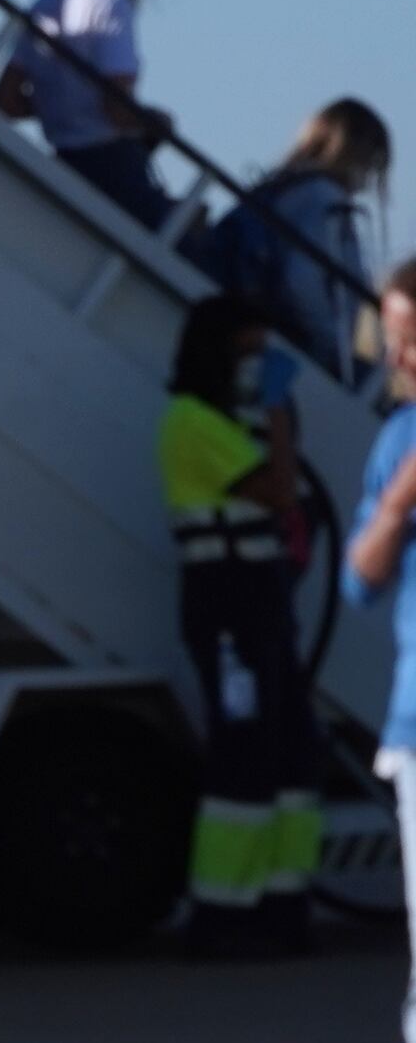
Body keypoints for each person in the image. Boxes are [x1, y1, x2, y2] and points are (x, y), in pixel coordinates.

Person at [160, 294, 327, 960]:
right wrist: (279, 410)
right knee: (245, 752)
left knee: (294, 749)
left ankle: (283, 903)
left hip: (259, 600)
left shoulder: (226, 421)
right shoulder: (191, 421)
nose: (256, 367)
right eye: (249, 353)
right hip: (226, 604)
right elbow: (280, 490)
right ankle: (220, 914)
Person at [328, 261, 416, 1043]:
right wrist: (393, 507)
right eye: (389, 332)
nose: (396, 353)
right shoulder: (395, 439)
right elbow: (356, 586)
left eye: (412, 333)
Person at [3, 0, 172, 227]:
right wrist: (155, 121)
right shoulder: (109, 2)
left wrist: (57, 103)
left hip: (64, 162)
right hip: (113, 167)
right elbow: (116, 107)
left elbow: (6, 100)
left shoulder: (44, 3)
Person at [195, 99, 391, 389]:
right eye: (372, 165)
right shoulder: (325, 199)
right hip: (299, 340)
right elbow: (303, 280)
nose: (368, 180)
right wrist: (329, 344)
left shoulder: (285, 185)